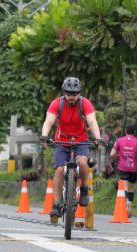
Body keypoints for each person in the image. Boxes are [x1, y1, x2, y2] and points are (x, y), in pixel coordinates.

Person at [40, 77, 102, 222]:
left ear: (79, 93)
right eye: (68, 94)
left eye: (75, 94)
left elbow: (92, 121)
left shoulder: (85, 103)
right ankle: (56, 204)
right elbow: (49, 120)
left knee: (82, 162)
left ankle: (84, 188)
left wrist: (98, 138)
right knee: (60, 170)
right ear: (64, 93)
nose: (72, 97)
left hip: (81, 141)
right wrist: (44, 136)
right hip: (61, 140)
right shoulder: (57, 103)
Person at [110, 124, 137, 217]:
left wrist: (118, 157)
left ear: (126, 131)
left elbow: (112, 154)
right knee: (131, 187)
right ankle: (130, 202)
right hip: (134, 167)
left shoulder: (119, 140)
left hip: (123, 167)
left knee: (125, 187)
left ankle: (126, 204)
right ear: (134, 132)